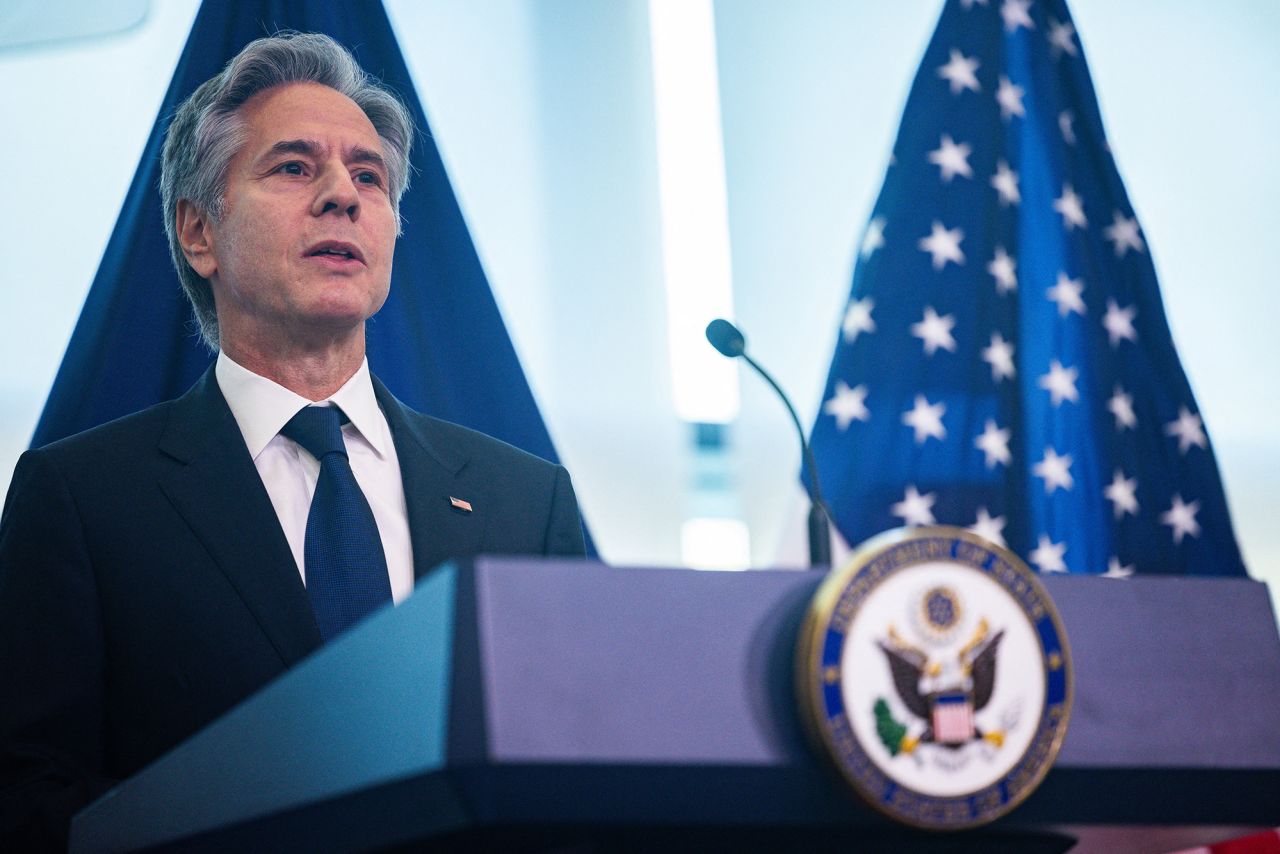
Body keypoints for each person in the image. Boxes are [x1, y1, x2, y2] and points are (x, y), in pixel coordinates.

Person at [0, 32, 585, 847]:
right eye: (295, 167)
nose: (343, 195)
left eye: (368, 176)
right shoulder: (82, 500)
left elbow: (590, 760)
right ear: (199, 232)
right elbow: (27, 794)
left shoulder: (527, 499)